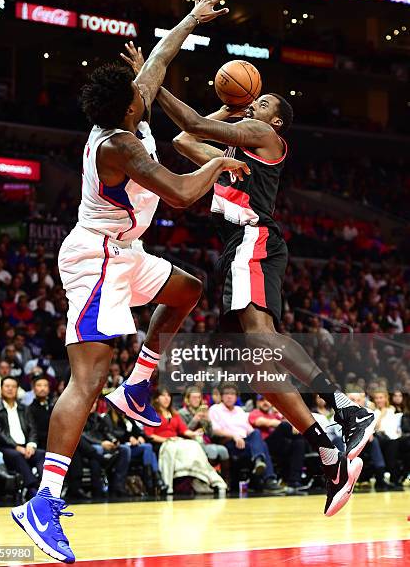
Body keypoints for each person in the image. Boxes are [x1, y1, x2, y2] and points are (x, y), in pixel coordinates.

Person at [10, 0, 246, 564]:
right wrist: (218, 160)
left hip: (127, 250)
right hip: (95, 261)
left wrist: (192, 17)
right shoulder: (118, 146)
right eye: (138, 93)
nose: (146, 92)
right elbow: (185, 195)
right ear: (127, 110)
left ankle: (138, 385)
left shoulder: (124, 113)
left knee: (187, 289)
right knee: (85, 380)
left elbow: (160, 58)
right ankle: (44, 500)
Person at [154, 67, 377, 516]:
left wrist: (153, 80)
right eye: (253, 102)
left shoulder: (262, 135)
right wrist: (228, 107)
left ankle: (346, 408)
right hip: (235, 248)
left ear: (274, 122)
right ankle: (328, 451)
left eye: (260, 104)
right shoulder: (236, 150)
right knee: (247, 362)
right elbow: (181, 143)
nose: (252, 107)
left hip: (254, 239)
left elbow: (193, 126)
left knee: (260, 337)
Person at [144, 388, 226, 495]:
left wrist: (194, 434)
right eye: (163, 396)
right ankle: (170, 485)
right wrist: (167, 439)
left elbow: (184, 430)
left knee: (194, 445)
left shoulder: (174, 414)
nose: (166, 398)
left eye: (168, 396)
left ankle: (199, 476)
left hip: (176, 441)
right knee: (173, 448)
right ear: (156, 399)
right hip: (161, 443)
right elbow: (149, 435)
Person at [208, 383, 283, 494]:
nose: (229, 397)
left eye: (232, 394)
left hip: (245, 442)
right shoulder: (215, 409)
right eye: (226, 394)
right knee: (263, 445)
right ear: (222, 396)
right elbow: (215, 430)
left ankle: (259, 462)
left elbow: (249, 430)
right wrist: (234, 436)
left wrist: (256, 440)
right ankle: (269, 479)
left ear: (236, 396)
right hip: (229, 442)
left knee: (257, 435)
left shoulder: (239, 410)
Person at [0, 376, 45, 498]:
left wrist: (31, 445)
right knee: (17, 456)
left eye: (13, 387)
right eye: (7, 386)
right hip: (5, 447)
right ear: (1, 389)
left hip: (25, 446)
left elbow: (32, 429)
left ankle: (44, 487)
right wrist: (16, 446)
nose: (10, 389)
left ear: (17, 389)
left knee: (41, 453)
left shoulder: (24, 408)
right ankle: (32, 489)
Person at [103, 408, 168, 495]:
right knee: (148, 450)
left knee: (148, 448)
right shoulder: (108, 417)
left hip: (131, 447)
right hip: (119, 448)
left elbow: (138, 431)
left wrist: (140, 436)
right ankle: (154, 483)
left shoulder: (128, 416)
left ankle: (154, 481)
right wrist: (128, 438)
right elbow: (110, 434)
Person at [249, 394, 306, 491]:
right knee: (285, 426)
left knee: (299, 442)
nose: (265, 402)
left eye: (267, 400)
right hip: (265, 445)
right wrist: (288, 424)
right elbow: (262, 422)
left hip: (280, 445)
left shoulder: (275, 414)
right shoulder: (255, 412)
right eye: (262, 400)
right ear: (257, 403)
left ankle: (294, 481)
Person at [178, 386, 230, 486]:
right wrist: (195, 420)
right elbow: (183, 432)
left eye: (198, 397)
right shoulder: (182, 413)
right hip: (191, 443)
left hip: (206, 442)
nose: (196, 400)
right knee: (213, 451)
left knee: (223, 450)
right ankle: (208, 480)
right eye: (193, 397)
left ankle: (226, 481)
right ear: (187, 400)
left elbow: (210, 434)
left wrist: (209, 421)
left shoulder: (203, 412)